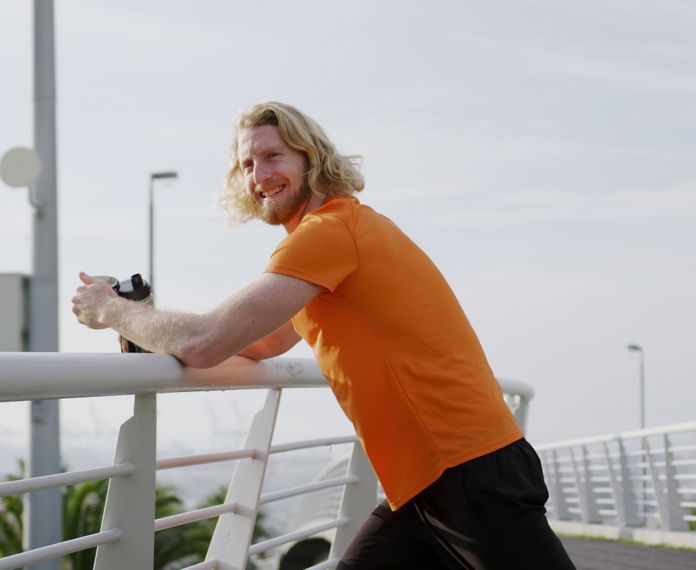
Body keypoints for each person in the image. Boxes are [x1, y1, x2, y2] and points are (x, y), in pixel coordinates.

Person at [71, 101, 575, 569]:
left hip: (467, 473)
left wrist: (113, 312)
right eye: (248, 164)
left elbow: (208, 340)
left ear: (312, 159)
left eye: (273, 156)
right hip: (426, 483)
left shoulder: (326, 234)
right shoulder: (338, 238)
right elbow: (259, 344)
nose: (259, 175)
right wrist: (153, 332)